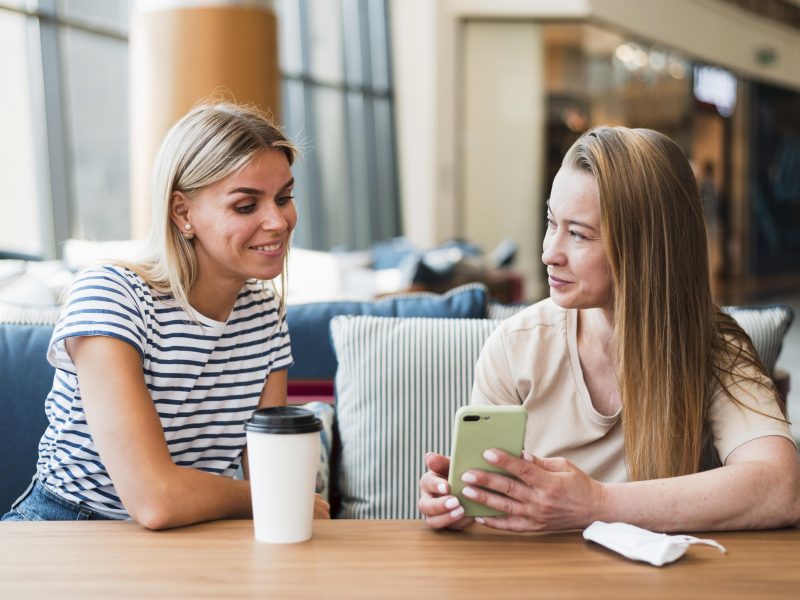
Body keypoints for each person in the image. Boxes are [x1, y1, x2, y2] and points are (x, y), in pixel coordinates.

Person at [419, 126, 799, 533]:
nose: (549, 253)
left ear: (643, 250)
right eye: (551, 223)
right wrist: (459, 505)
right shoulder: (515, 347)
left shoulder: (712, 349)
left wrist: (595, 504)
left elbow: (781, 489)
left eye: (578, 234)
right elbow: (486, 508)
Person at [2, 103, 330, 528]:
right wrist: (275, 496)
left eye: (284, 198)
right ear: (182, 213)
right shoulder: (110, 295)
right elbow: (155, 500)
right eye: (246, 206)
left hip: (192, 533)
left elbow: (267, 471)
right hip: (67, 528)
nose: (279, 221)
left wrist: (279, 499)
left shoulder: (264, 314)